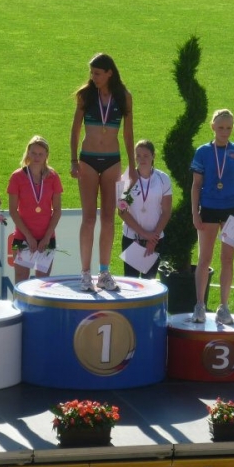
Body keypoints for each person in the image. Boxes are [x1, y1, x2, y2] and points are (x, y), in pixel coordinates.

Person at [70, 53, 135, 293]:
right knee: (89, 218)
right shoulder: (86, 95)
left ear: (109, 73)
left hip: (112, 162)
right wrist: (73, 159)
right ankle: (85, 274)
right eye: (92, 73)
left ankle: (104, 273)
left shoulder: (124, 97)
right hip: (87, 160)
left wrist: (132, 166)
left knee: (108, 218)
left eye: (97, 73)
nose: (93, 77)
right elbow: (75, 129)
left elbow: (128, 133)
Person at [191, 109, 234, 325]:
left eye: (229, 128)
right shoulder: (203, 152)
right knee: (204, 258)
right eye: (221, 127)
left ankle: (224, 307)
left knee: (227, 259)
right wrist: (194, 212)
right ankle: (200, 304)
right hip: (208, 209)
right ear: (213, 127)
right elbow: (196, 185)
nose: (225, 132)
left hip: (232, 210)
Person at [7, 136, 63, 284]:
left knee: (43, 283)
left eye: (40, 154)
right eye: (33, 153)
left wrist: (46, 237)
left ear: (46, 155)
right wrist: (28, 236)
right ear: (28, 153)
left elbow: (57, 210)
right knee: (21, 281)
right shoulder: (17, 177)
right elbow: (13, 210)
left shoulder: (53, 177)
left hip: (47, 238)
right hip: (22, 237)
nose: (37, 157)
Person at [118, 139, 172, 279]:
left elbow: (166, 212)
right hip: (132, 238)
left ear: (153, 156)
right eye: (138, 155)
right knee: (131, 282)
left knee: (149, 282)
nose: (142, 159)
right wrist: (144, 234)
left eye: (146, 155)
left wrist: (152, 238)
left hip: (155, 239)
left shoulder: (163, 179)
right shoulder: (125, 178)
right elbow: (122, 211)